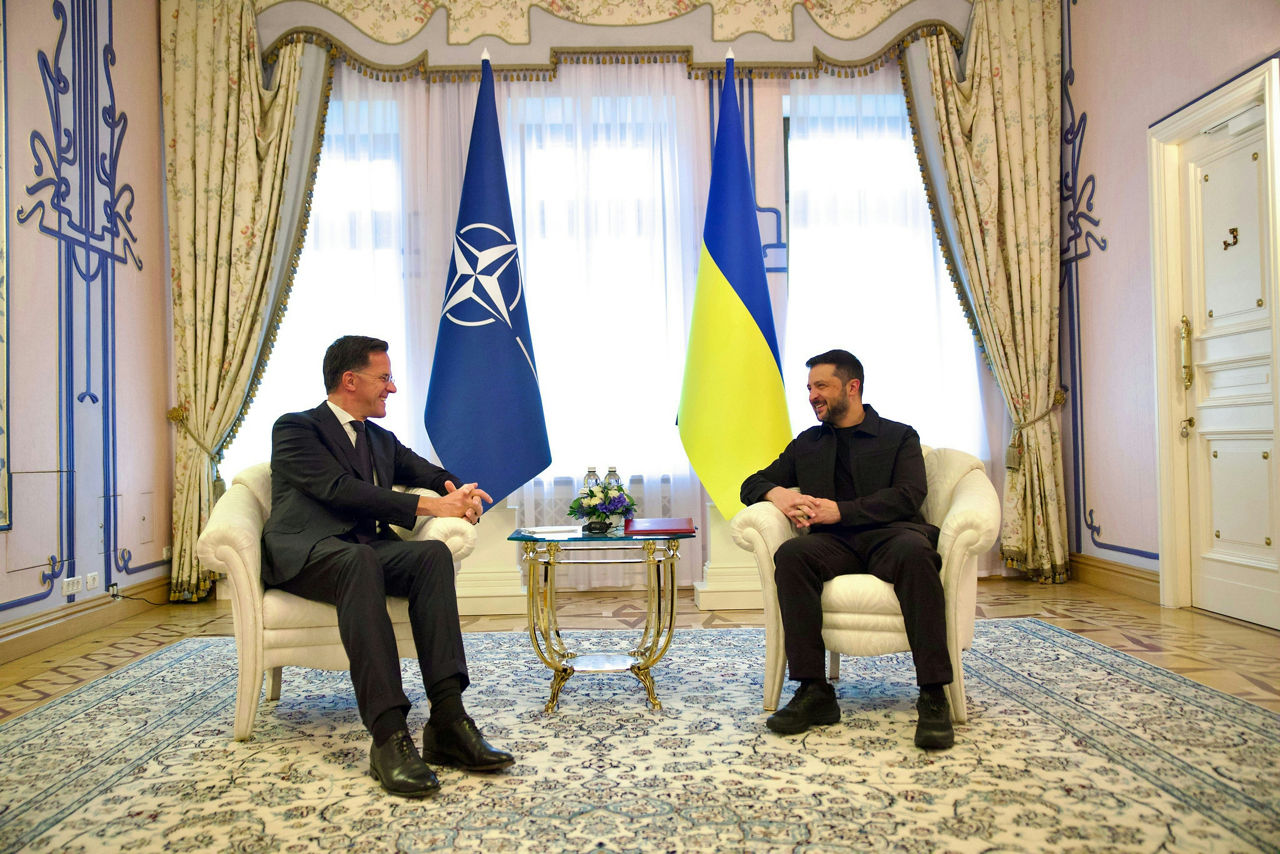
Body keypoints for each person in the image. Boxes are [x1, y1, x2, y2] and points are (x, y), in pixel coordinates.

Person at [261, 335, 514, 798]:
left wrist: (457, 491)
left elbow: (426, 471)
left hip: (362, 551)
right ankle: (388, 736)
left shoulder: (379, 438)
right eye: (385, 378)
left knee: (431, 556)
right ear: (349, 380)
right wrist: (432, 508)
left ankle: (448, 721)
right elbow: (338, 489)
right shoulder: (296, 429)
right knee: (358, 560)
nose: (392, 388)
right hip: (307, 552)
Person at [740, 349, 954, 750]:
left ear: (852, 388)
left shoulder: (899, 436)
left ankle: (933, 694)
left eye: (821, 386)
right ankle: (814, 691)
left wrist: (842, 511)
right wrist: (779, 494)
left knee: (916, 553)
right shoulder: (807, 443)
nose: (812, 396)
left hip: (890, 534)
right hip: (833, 544)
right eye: (809, 388)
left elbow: (909, 496)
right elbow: (751, 483)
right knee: (792, 556)